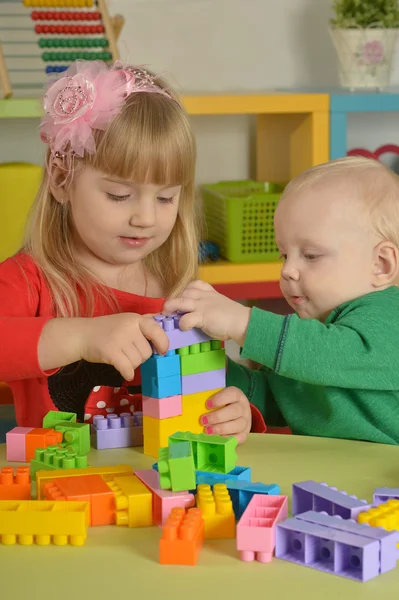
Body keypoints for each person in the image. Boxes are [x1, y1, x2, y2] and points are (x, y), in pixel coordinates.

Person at [0, 59, 201, 427]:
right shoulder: (28, 282)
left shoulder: (180, 291)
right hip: (59, 479)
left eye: (165, 198)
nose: (146, 218)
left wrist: (234, 410)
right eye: (119, 195)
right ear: (62, 180)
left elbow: (207, 391)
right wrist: (81, 336)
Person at [164, 156, 399, 445]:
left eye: (311, 255)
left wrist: (242, 321)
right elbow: (275, 397)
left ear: (382, 264)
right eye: (284, 255)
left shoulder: (390, 317)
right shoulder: (309, 340)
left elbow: (331, 353)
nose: (288, 270)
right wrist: (211, 369)